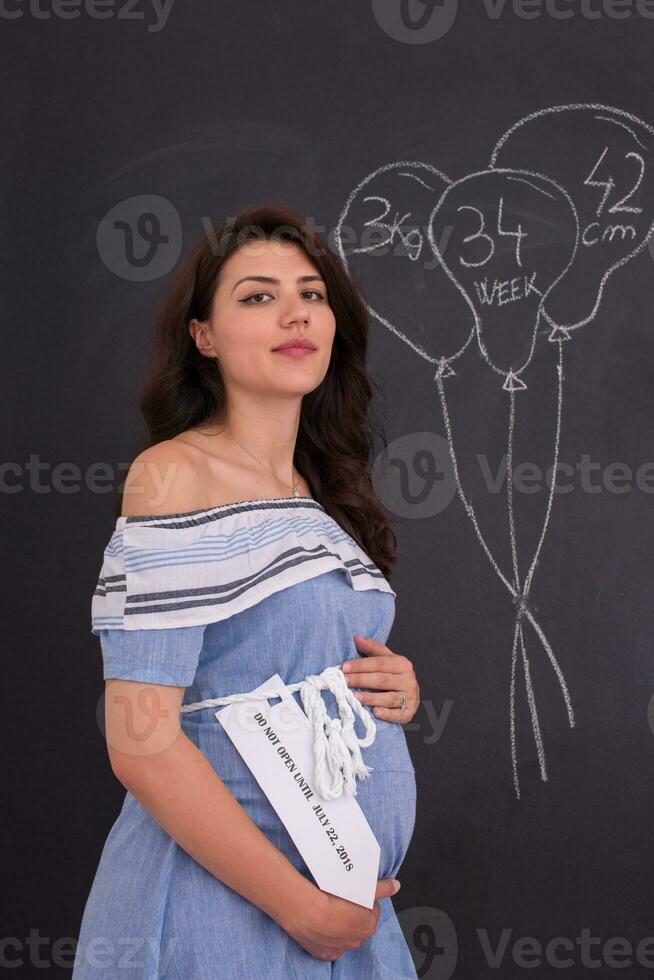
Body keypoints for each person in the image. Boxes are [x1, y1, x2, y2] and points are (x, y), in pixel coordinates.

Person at [72, 204, 421, 978]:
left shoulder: (324, 495)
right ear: (204, 335)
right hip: (226, 911)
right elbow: (141, 740)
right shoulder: (175, 475)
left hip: (344, 912)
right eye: (258, 296)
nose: (296, 311)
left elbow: (287, 657)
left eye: (314, 294)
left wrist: (391, 687)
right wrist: (302, 908)